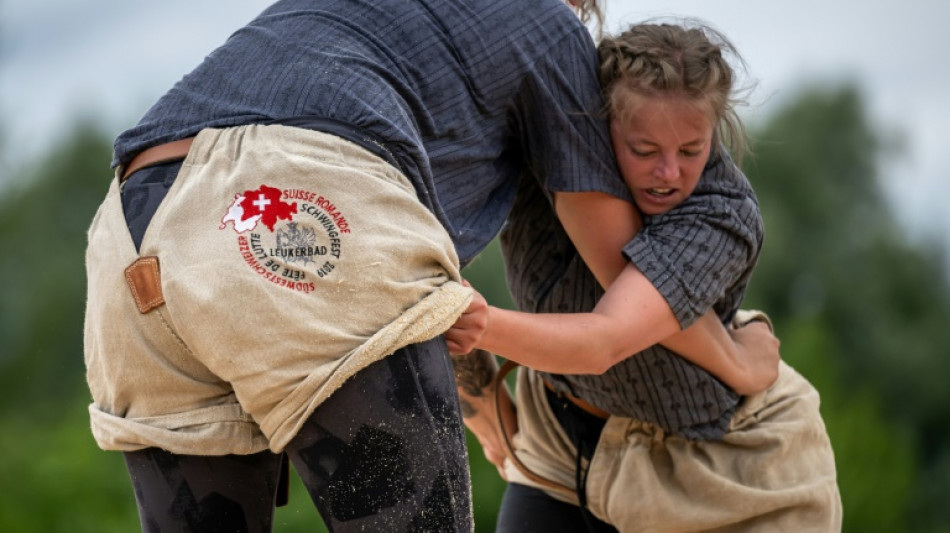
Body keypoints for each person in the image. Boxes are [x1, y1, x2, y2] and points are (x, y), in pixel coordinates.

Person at [82, 1, 777, 531]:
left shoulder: (373, 27)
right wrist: (739, 359)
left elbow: (427, 299)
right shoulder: (549, 27)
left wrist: (486, 422)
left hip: (130, 226)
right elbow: (623, 278)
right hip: (293, 195)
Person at [447, 20, 842, 532]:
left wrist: (481, 323)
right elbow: (425, 255)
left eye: (690, 150)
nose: (669, 174)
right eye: (644, 150)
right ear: (600, 123)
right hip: (557, 445)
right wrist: (485, 414)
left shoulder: (722, 214)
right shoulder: (546, 146)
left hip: (719, 469)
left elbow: (605, 340)